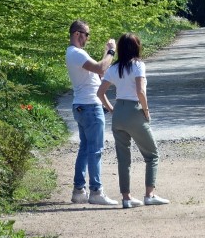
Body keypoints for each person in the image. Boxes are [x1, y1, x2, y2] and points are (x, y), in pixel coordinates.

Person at [97, 33, 170, 209]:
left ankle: (126, 198)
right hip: (134, 111)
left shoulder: (113, 69)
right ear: (137, 47)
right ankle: (149, 195)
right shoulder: (138, 65)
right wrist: (146, 111)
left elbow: (100, 93)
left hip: (119, 113)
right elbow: (140, 92)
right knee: (152, 155)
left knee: (123, 159)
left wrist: (112, 109)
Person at [66, 20, 118, 205]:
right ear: (77, 34)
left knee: (85, 148)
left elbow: (99, 72)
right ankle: (96, 191)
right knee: (95, 150)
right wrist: (111, 51)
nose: (88, 38)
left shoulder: (75, 54)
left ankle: (79, 190)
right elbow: (101, 68)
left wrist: (106, 53)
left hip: (82, 105)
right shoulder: (76, 53)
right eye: (86, 34)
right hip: (90, 106)